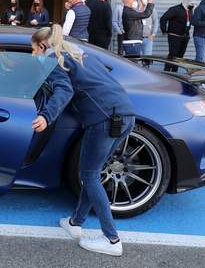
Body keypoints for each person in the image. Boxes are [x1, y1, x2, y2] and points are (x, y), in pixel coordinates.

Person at [31, 24, 136, 257]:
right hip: (126, 115)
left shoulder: (56, 62)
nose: (34, 55)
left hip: (104, 120)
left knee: (88, 175)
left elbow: (63, 91)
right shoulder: (80, 56)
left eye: (34, 51)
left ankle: (112, 239)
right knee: (93, 174)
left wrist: (45, 116)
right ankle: (75, 222)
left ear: (42, 46)